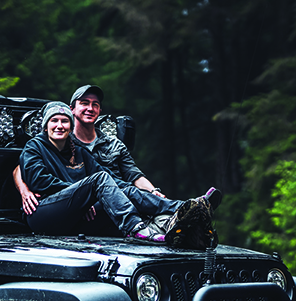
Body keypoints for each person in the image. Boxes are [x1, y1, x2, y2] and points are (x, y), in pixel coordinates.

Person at [14, 83, 221, 215]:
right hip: (84, 202)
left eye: (95, 105)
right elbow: (22, 166)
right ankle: (185, 209)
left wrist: (154, 192)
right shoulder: (64, 140)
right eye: (84, 103)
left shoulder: (113, 143)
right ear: (72, 109)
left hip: (119, 196)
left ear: (100, 111)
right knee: (124, 195)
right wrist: (24, 190)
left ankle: (191, 209)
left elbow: (133, 174)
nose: (90, 108)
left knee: (133, 194)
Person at [21, 101, 211, 245]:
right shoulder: (34, 147)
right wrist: (83, 197)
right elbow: (38, 181)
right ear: (45, 126)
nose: (59, 126)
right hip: (42, 214)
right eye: (54, 121)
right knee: (99, 180)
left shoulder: (78, 152)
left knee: (123, 189)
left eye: (64, 121)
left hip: (73, 219)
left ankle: (183, 208)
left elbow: (111, 181)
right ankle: (135, 228)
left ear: (70, 126)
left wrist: (131, 190)